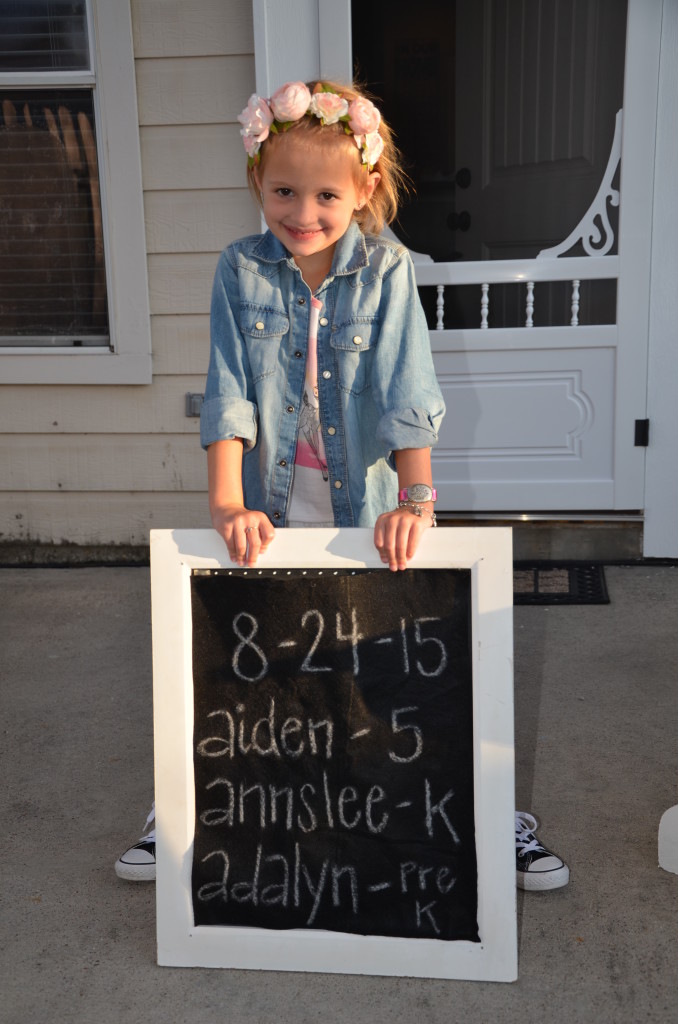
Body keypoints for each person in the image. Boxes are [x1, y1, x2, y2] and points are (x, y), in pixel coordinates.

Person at [115, 79, 569, 892]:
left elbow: (407, 390)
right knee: (252, 668)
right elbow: (229, 393)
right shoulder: (238, 270)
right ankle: (193, 804)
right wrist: (227, 501)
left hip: (372, 505)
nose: (303, 211)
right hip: (272, 506)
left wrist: (414, 502)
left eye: (326, 193)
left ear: (362, 190)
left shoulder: (388, 269)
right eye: (283, 190)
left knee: (399, 669)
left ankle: (483, 808)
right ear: (258, 182)